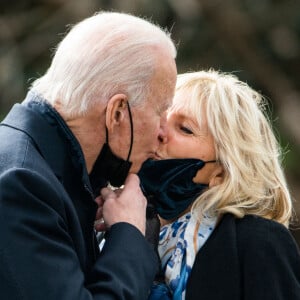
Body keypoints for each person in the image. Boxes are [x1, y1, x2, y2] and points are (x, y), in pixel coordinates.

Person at [0, 11, 177, 300]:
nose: (164, 132)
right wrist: (130, 232)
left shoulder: (48, 173)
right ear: (117, 112)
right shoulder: (20, 185)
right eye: (160, 111)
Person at [138, 69, 300, 300]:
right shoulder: (109, 230)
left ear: (222, 172)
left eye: (185, 128)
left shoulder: (257, 241)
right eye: (160, 118)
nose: (160, 131)